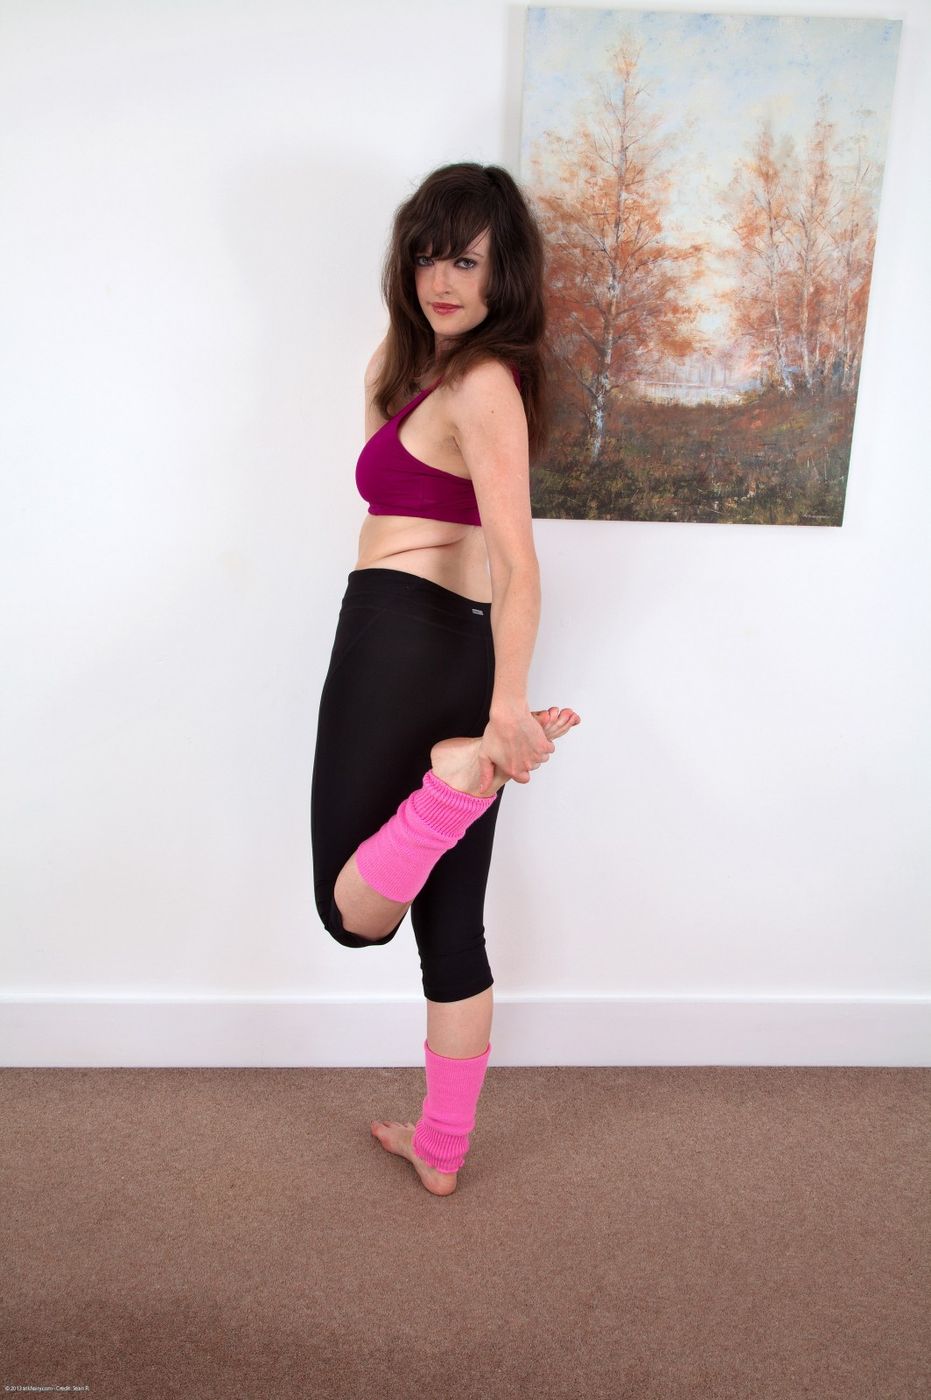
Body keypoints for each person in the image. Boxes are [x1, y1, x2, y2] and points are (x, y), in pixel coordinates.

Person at [310, 161, 581, 1197]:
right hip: (455, 653)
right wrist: (494, 703)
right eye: (427, 256)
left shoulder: (481, 383)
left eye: (466, 260)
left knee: (351, 912)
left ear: (503, 271)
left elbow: (518, 561)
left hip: (396, 637)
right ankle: (441, 1145)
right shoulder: (425, 367)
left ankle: (448, 784)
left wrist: (506, 713)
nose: (441, 279)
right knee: (451, 924)